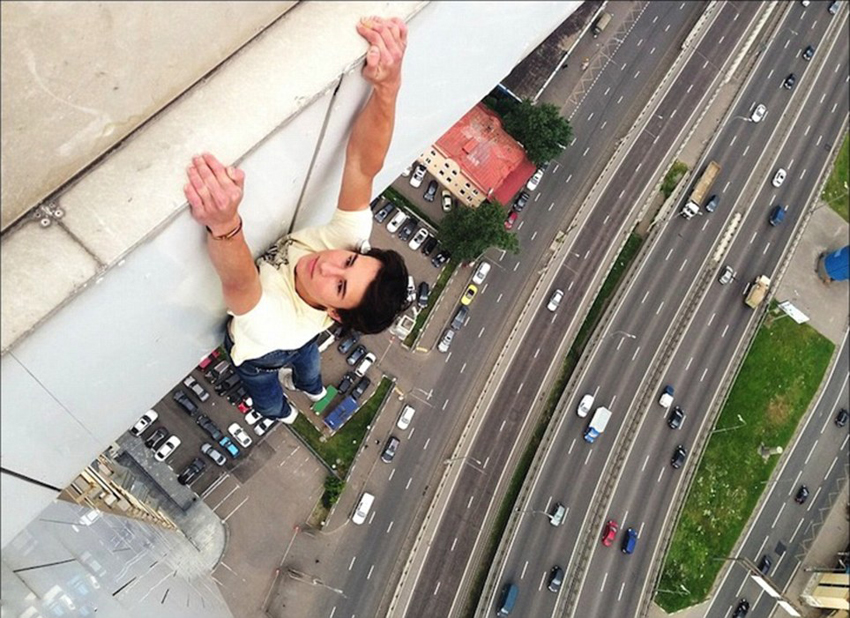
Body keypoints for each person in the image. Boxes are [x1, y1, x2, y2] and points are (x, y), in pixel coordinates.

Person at [184, 16, 410, 424]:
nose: (328, 265)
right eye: (349, 261)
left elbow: (241, 285)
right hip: (305, 333)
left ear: (336, 314)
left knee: (266, 394)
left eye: (340, 285)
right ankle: (313, 388)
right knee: (307, 359)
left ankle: (284, 412)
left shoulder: (274, 325)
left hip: (262, 353)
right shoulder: (345, 246)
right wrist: (388, 88)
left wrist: (225, 223)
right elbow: (362, 164)